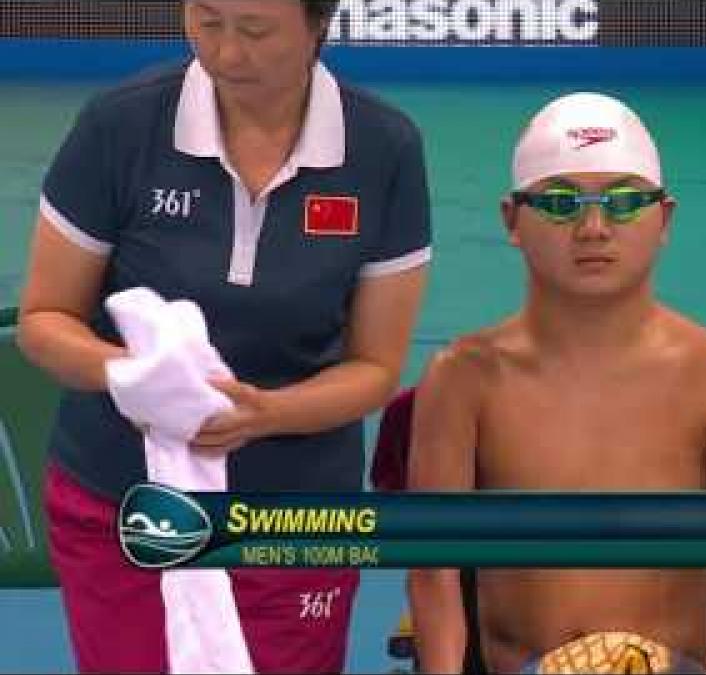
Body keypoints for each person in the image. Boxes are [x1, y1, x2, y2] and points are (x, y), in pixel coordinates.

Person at [15, 0, 430, 671]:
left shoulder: (385, 148)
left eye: (256, 31)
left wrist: (266, 414)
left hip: (294, 517)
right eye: (207, 22)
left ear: (319, 24)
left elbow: (375, 367)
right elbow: (44, 320)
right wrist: (129, 375)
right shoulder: (119, 125)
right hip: (125, 506)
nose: (226, 54)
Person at [405, 92, 706, 674]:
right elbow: (433, 577)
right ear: (512, 220)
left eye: (622, 202)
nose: (593, 228)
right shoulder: (463, 380)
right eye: (562, 203)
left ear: (663, 218)